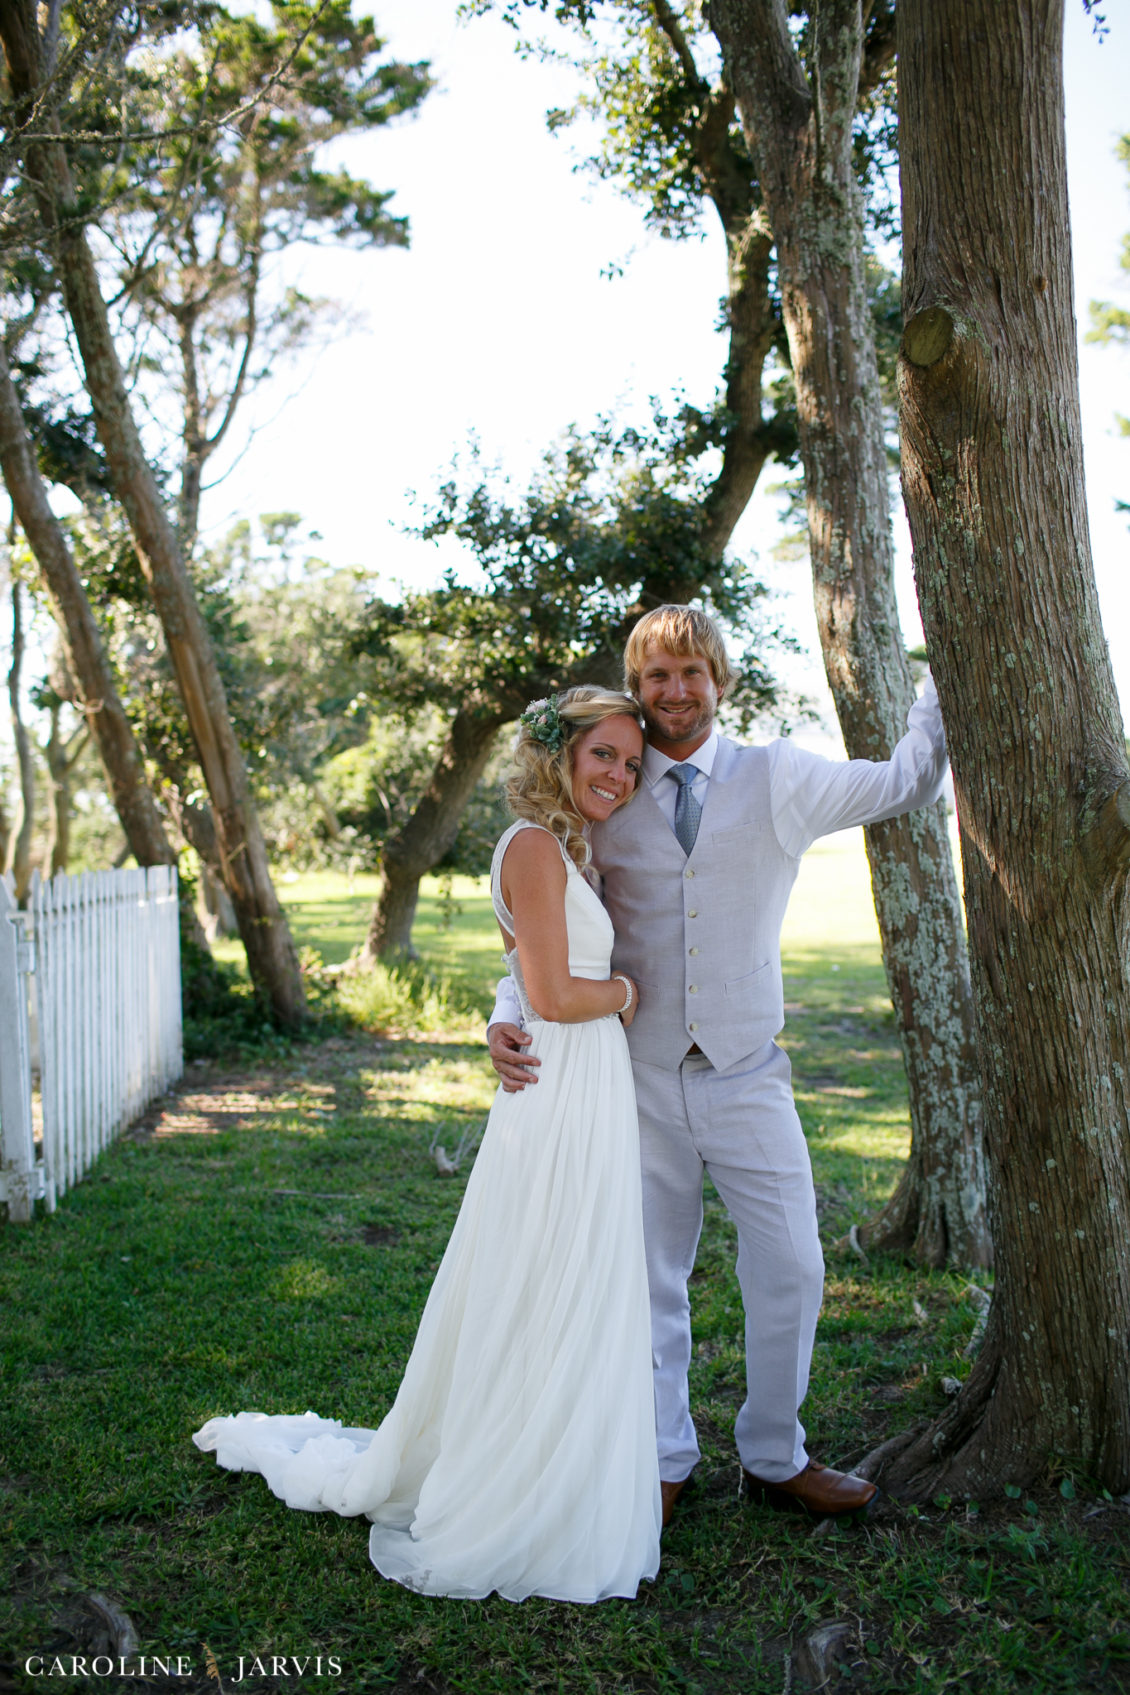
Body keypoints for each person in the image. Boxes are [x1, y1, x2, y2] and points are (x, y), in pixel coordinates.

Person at [194, 687, 661, 1603]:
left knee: (565, 1280)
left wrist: (511, 1008)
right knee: (543, 1278)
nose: (618, 774)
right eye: (603, 753)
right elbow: (560, 993)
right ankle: (516, 1488)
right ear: (559, 753)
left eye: (632, 764)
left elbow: (521, 977)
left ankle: (556, 1470)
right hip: (560, 1087)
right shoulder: (531, 845)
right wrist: (629, 995)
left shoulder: (566, 848)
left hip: (580, 1088)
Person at [489, 606, 949, 1527]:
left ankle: (775, 1453)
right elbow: (543, 921)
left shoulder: (778, 775)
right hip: (639, 1078)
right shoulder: (607, 793)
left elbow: (907, 781)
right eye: (655, 675)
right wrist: (506, 1014)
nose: (674, 691)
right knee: (652, 1275)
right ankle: (664, 1457)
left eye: (691, 671)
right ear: (637, 687)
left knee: (794, 1265)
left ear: (720, 679)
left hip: (747, 1072)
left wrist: (944, 664)